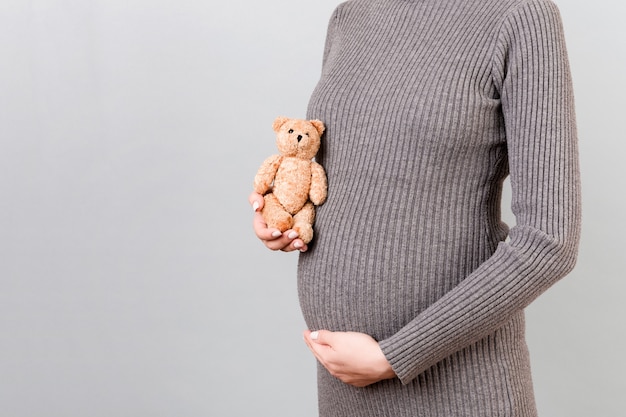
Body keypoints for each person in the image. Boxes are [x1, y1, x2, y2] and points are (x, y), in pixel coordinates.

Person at [250, 0, 581, 415]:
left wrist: (396, 356)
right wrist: (287, 212)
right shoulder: (351, 15)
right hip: (344, 388)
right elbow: (365, 171)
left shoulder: (519, 16)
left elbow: (549, 241)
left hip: (458, 390)